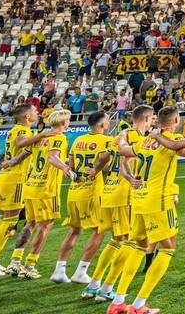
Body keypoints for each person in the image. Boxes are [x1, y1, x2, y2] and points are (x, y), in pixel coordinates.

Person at [106, 107, 185, 314]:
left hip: (139, 200)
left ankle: (118, 301)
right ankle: (139, 305)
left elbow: (123, 151)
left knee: (139, 246)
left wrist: (121, 138)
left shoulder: (145, 140)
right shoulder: (170, 139)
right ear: (175, 120)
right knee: (167, 248)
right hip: (159, 201)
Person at [84, 106, 157, 302]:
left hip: (109, 191)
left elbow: (103, 157)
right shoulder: (136, 138)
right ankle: (107, 287)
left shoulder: (119, 136)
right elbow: (129, 162)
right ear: (147, 119)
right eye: (152, 120)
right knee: (131, 241)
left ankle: (94, 284)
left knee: (116, 239)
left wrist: (95, 171)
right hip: (125, 193)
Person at [0, 103, 52, 277]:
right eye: (34, 111)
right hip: (15, 179)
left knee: (4, 220)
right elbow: (22, 143)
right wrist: (42, 134)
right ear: (27, 116)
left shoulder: (15, 129)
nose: (37, 113)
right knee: (9, 221)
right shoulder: (22, 130)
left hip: (7, 177)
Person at [53, 111, 115, 284]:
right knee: (99, 230)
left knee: (74, 230)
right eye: (108, 121)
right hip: (92, 192)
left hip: (74, 191)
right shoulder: (106, 141)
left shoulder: (79, 140)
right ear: (103, 125)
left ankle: (59, 270)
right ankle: (81, 271)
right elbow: (107, 165)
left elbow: (70, 167)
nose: (109, 123)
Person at [18, 109, 78, 279]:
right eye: (69, 120)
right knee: (45, 226)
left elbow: (28, 154)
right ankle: (29, 265)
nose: (69, 123)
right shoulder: (59, 138)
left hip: (30, 186)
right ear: (64, 123)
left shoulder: (40, 137)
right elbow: (52, 158)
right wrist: (66, 167)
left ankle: (16, 260)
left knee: (30, 223)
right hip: (45, 189)